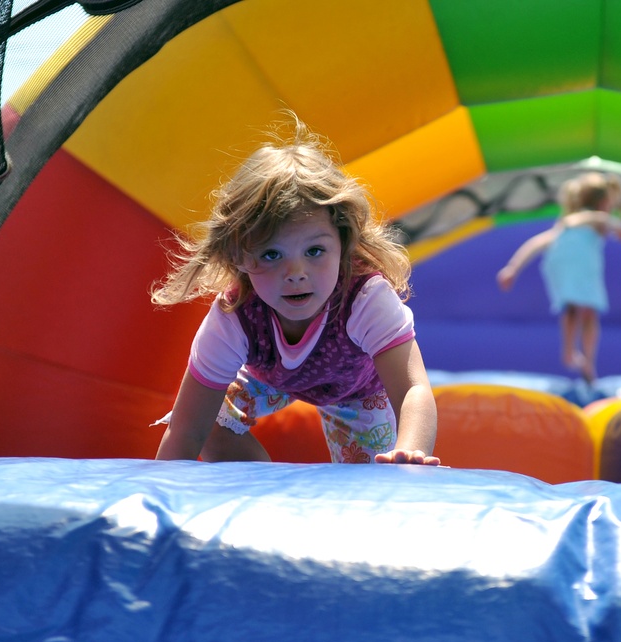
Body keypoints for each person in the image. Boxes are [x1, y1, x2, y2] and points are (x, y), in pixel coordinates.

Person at [151, 116, 439, 466]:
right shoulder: (236, 315)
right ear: (240, 256)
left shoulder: (364, 298)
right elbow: (185, 432)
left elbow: (413, 389)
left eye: (314, 251)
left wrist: (409, 453)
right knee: (208, 421)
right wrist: (157, 498)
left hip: (359, 393)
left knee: (372, 479)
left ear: (343, 242)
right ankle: (262, 493)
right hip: (268, 380)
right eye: (271, 255)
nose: (296, 273)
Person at [497, 172, 621, 383]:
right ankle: (584, 359)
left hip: (562, 265)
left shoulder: (570, 224)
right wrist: (616, 225)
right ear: (604, 202)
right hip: (576, 268)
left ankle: (573, 354)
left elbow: (537, 243)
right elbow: (590, 219)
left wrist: (514, 267)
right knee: (586, 311)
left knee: (575, 308)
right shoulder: (587, 220)